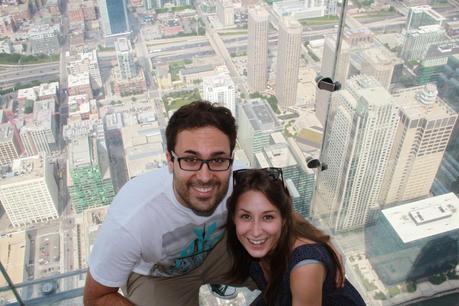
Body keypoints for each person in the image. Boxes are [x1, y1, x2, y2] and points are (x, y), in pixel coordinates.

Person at [84, 101, 248, 306]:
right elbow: (95, 297)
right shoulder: (132, 218)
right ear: (170, 160)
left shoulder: (241, 181)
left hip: (217, 252)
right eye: (190, 160)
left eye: (217, 160)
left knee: (283, 267)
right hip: (156, 273)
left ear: (231, 160)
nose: (205, 177)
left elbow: (285, 220)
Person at [226, 168, 366, 306]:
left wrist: (322, 244)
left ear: (284, 220)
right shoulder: (262, 240)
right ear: (233, 218)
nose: (255, 232)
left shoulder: (305, 267)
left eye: (268, 217)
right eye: (246, 216)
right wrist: (323, 239)